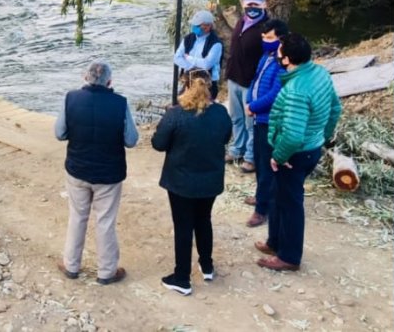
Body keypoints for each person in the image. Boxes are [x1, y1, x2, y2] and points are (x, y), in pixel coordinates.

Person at [256, 33, 341, 271]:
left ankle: (289, 257)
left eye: (280, 50)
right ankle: (275, 241)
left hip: (294, 154)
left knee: (290, 204)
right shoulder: (320, 73)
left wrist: (278, 156)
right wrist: (322, 136)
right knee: (278, 195)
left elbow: (293, 135)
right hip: (311, 147)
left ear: (287, 59)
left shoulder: (295, 90)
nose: (277, 51)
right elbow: (335, 108)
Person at [55, 61, 137, 286]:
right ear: (109, 82)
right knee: (105, 221)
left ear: (85, 77)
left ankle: (71, 265)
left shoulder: (70, 98)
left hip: (78, 169)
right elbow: (131, 140)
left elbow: (60, 133)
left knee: (77, 216)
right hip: (109, 173)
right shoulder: (120, 103)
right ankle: (107, 271)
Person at [151, 67, 232, 295]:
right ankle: (207, 265)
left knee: (183, 226)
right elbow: (226, 137)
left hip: (181, 180)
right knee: (204, 220)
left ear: (185, 86)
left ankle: (182, 277)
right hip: (210, 179)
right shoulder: (221, 113)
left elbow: (158, 144)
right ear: (210, 87)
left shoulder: (176, 114)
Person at [242, 18, 290, 227]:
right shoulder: (266, 56)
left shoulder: (283, 62)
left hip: (269, 120)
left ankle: (262, 209)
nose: (264, 41)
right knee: (260, 161)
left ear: (281, 38)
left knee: (266, 164)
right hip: (257, 117)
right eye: (263, 37)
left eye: (269, 38)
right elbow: (255, 80)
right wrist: (249, 101)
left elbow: (275, 93)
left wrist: (254, 106)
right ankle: (261, 195)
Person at [225, 0, 271, 173]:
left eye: (255, 4)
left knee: (250, 121)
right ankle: (237, 149)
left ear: (263, 5)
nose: (251, 8)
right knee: (236, 118)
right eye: (248, 4)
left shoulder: (266, 28)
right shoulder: (241, 21)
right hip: (234, 77)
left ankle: (251, 157)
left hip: (251, 82)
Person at [173, 10, 223, 100]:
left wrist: (188, 58)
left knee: (203, 106)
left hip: (207, 84)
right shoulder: (188, 38)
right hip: (190, 81)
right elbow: (177, 58)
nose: (194, 27)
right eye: (194, 25)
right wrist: (193, 68)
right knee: (181, 102)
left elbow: (206, 64)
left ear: (208, 26)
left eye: (197, 25)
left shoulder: (216, 44)